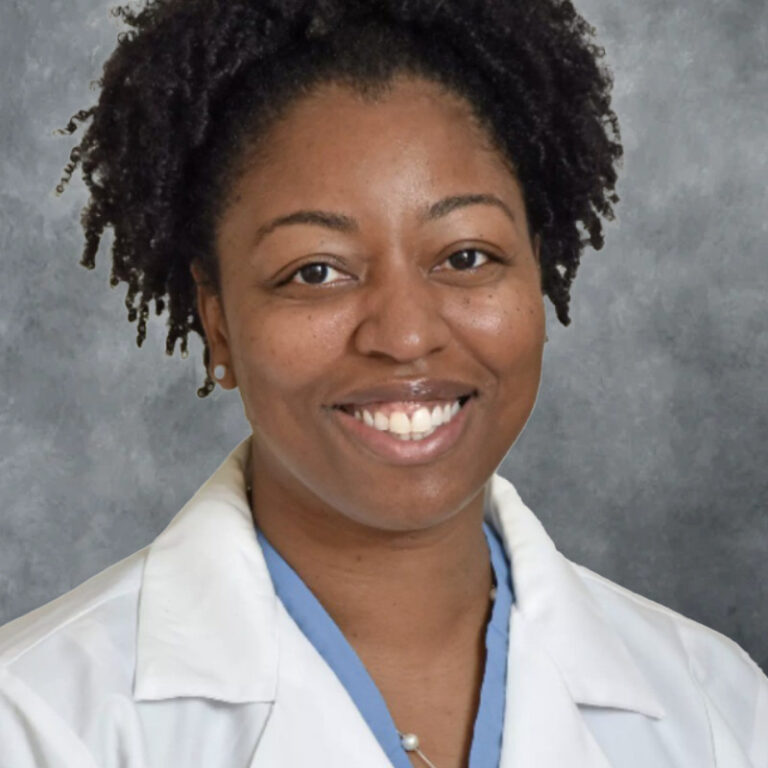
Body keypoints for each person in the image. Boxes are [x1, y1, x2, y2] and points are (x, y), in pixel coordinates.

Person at [1, 0, 766, 766]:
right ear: (220, 321)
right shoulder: (35, 718)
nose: (404, 336)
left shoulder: (715, 704)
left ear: (537, 271)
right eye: (317, 271)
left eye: (466, 257)